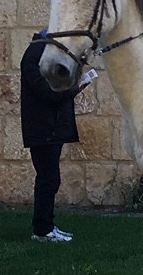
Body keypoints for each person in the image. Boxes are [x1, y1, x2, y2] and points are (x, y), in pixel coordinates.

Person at [21, 32, 92, 243]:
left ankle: (46, 226)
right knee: (48, 179)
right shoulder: (34, 56)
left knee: (49, 179)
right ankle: (42, 230)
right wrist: (74, 90)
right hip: (43, 128)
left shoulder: (40, 54)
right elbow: (47, 92)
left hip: (51, 128)